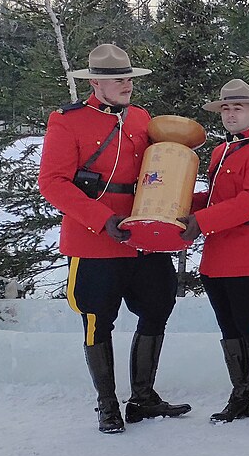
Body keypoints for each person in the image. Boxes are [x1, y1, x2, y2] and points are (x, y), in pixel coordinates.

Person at [38, 44, 191, 433]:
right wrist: (101, 219)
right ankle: (107, 405)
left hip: (144, 235)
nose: (127, 85)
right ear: (95, 83)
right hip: (94, 239)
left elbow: (160, 170)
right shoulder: (66, 121)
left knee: (159, 305)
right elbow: (52, 183)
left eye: (128, 78)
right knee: (96, 318)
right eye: (118, 80)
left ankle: (143, 396)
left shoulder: (141, 118)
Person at [179, 79, 249, 432]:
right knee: (228, 328)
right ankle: (243, 396)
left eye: (238, 107)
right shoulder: (219, 152)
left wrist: (201, 220)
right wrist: (173, 205)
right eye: (225, 108)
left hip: (248, 256)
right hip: (216, 257)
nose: (230, 114)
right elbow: (214, 198)